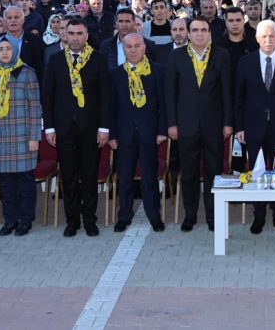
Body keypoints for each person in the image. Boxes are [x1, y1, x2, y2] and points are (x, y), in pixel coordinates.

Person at [42, 17, 111, 237]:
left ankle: (89, 219)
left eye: (79, 33)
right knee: (69, 176)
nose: (75, 38)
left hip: (91, 128)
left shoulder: (98, 60)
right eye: (71, 33)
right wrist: (49, 128)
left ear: (86, 36)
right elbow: (48, 96)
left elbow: (105, 96)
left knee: (89, 175)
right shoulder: (55, 60)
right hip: (63, 129)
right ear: (65, 35)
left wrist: (104, 127)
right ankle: (72, 221)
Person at [164, 17, 233, 232]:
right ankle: (190, 216)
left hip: (214, 125)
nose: (200, 34)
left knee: (214, 173)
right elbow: (170, 94)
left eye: (204, 30)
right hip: (186, 125)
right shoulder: (176, 56)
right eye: (195, 30)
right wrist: (172, 124)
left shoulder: (221, 55)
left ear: (210, 33)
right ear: (188, 33)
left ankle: (213, 216)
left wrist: (228, 123)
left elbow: (227, 92)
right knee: (189, 173)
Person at [234, 20, 275, 234]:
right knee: (258, 173)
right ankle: (259, 216)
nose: (268, 40)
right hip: (254, 128)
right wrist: (240, 127)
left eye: (272, 35)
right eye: (264, 36)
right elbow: (239, 98)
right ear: (257, 38)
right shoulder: (246, 62)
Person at [0, 36, 42, 237]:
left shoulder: (28, 73)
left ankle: (25, 220)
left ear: (15, 50)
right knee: (6, 184)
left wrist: (34, 137)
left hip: (23, 137)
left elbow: (35, 108)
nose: (5, 52)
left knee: (25, 183)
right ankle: (10, 220)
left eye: (8, 48)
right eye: (1, 49)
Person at [109, 32, 167, 233]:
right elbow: (111, 107)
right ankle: (124, 216)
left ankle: (154, 216)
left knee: (149, 177)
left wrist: (162, 130)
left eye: (137, 46)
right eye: (129, 47)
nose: (133, 50)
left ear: (144, 47)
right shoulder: (116, 74)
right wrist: (113, 135)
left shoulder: (157, 71)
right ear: (123, 49)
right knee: (124, 176)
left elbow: (163, 104)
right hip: (124, 134)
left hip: (149, 132)